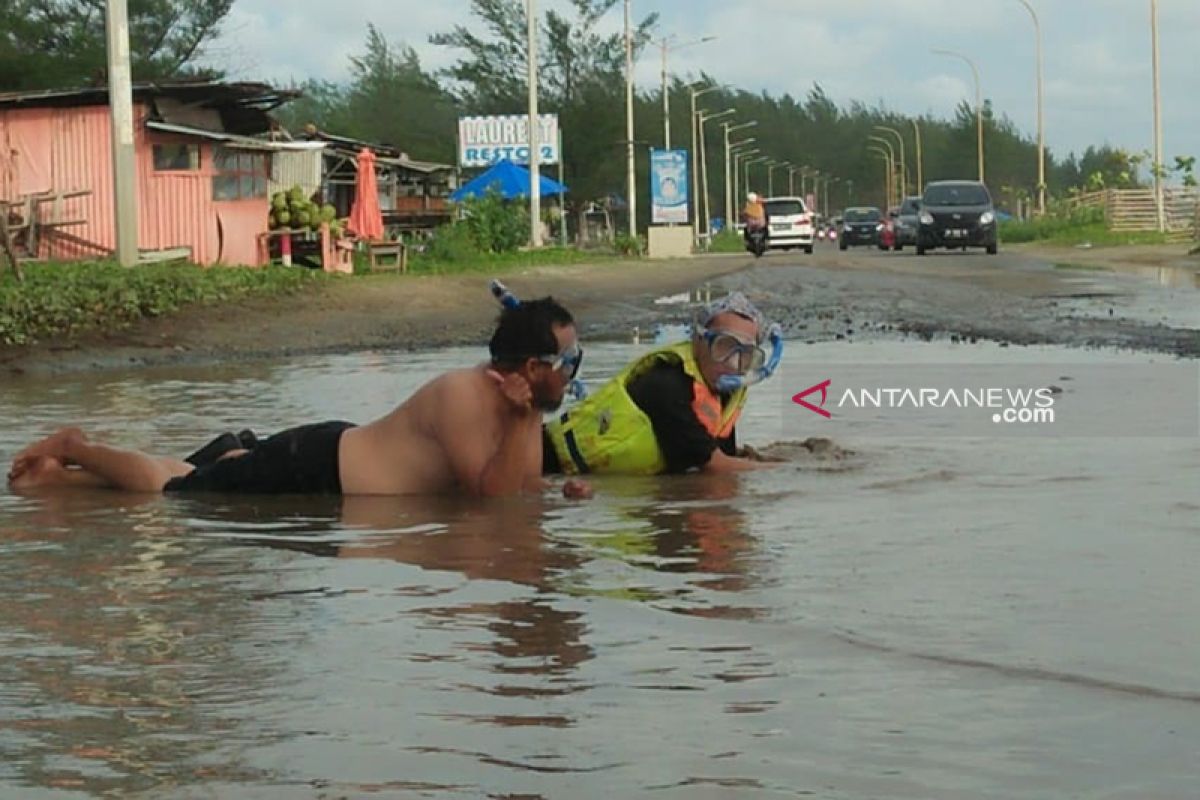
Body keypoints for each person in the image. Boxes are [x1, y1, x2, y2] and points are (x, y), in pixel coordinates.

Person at [8, 296, 593, 499]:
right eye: (568, 363)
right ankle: (74, 447)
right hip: (315, 469)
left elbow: (520, 491)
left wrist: (557, 499)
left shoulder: (515, 407)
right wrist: (525, 416)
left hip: (325, 465)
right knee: (173, 492)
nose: (574, 373)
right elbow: (493, 503)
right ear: (533, 368)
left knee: (191, 476)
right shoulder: (464, 397)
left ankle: (55, 483)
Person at [542, 291, 783, 476]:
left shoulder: (725, 393)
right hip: (547, 465)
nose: (733, 365)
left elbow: (724, 459)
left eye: (746, 356)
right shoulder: (667, 385)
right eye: (724, 347)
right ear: (698, 340)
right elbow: (715, 467)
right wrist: (789, 474)